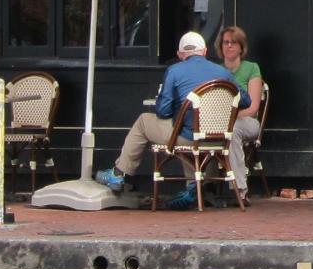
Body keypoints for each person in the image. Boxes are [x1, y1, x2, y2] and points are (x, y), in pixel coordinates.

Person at [95, 31, 252, 200]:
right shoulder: (223, 73)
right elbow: (245, 100)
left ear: (180, 54)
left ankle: (119, 173)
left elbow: (163, 111)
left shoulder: (175, 71)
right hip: (219, 137)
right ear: (205, 51)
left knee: (144, 121)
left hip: (188, 136)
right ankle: (198, 187)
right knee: (187, 125)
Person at [216, 25, 263, 208]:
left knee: (232, 131)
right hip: (220, 120)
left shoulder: (251, 68)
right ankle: (202, 186)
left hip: (246, 121)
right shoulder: (217, 70)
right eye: (225, 43)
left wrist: (230, 119)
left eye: (233, 43)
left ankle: (239, 189)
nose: (229, 46)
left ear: (241, 47)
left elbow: (253, 107)